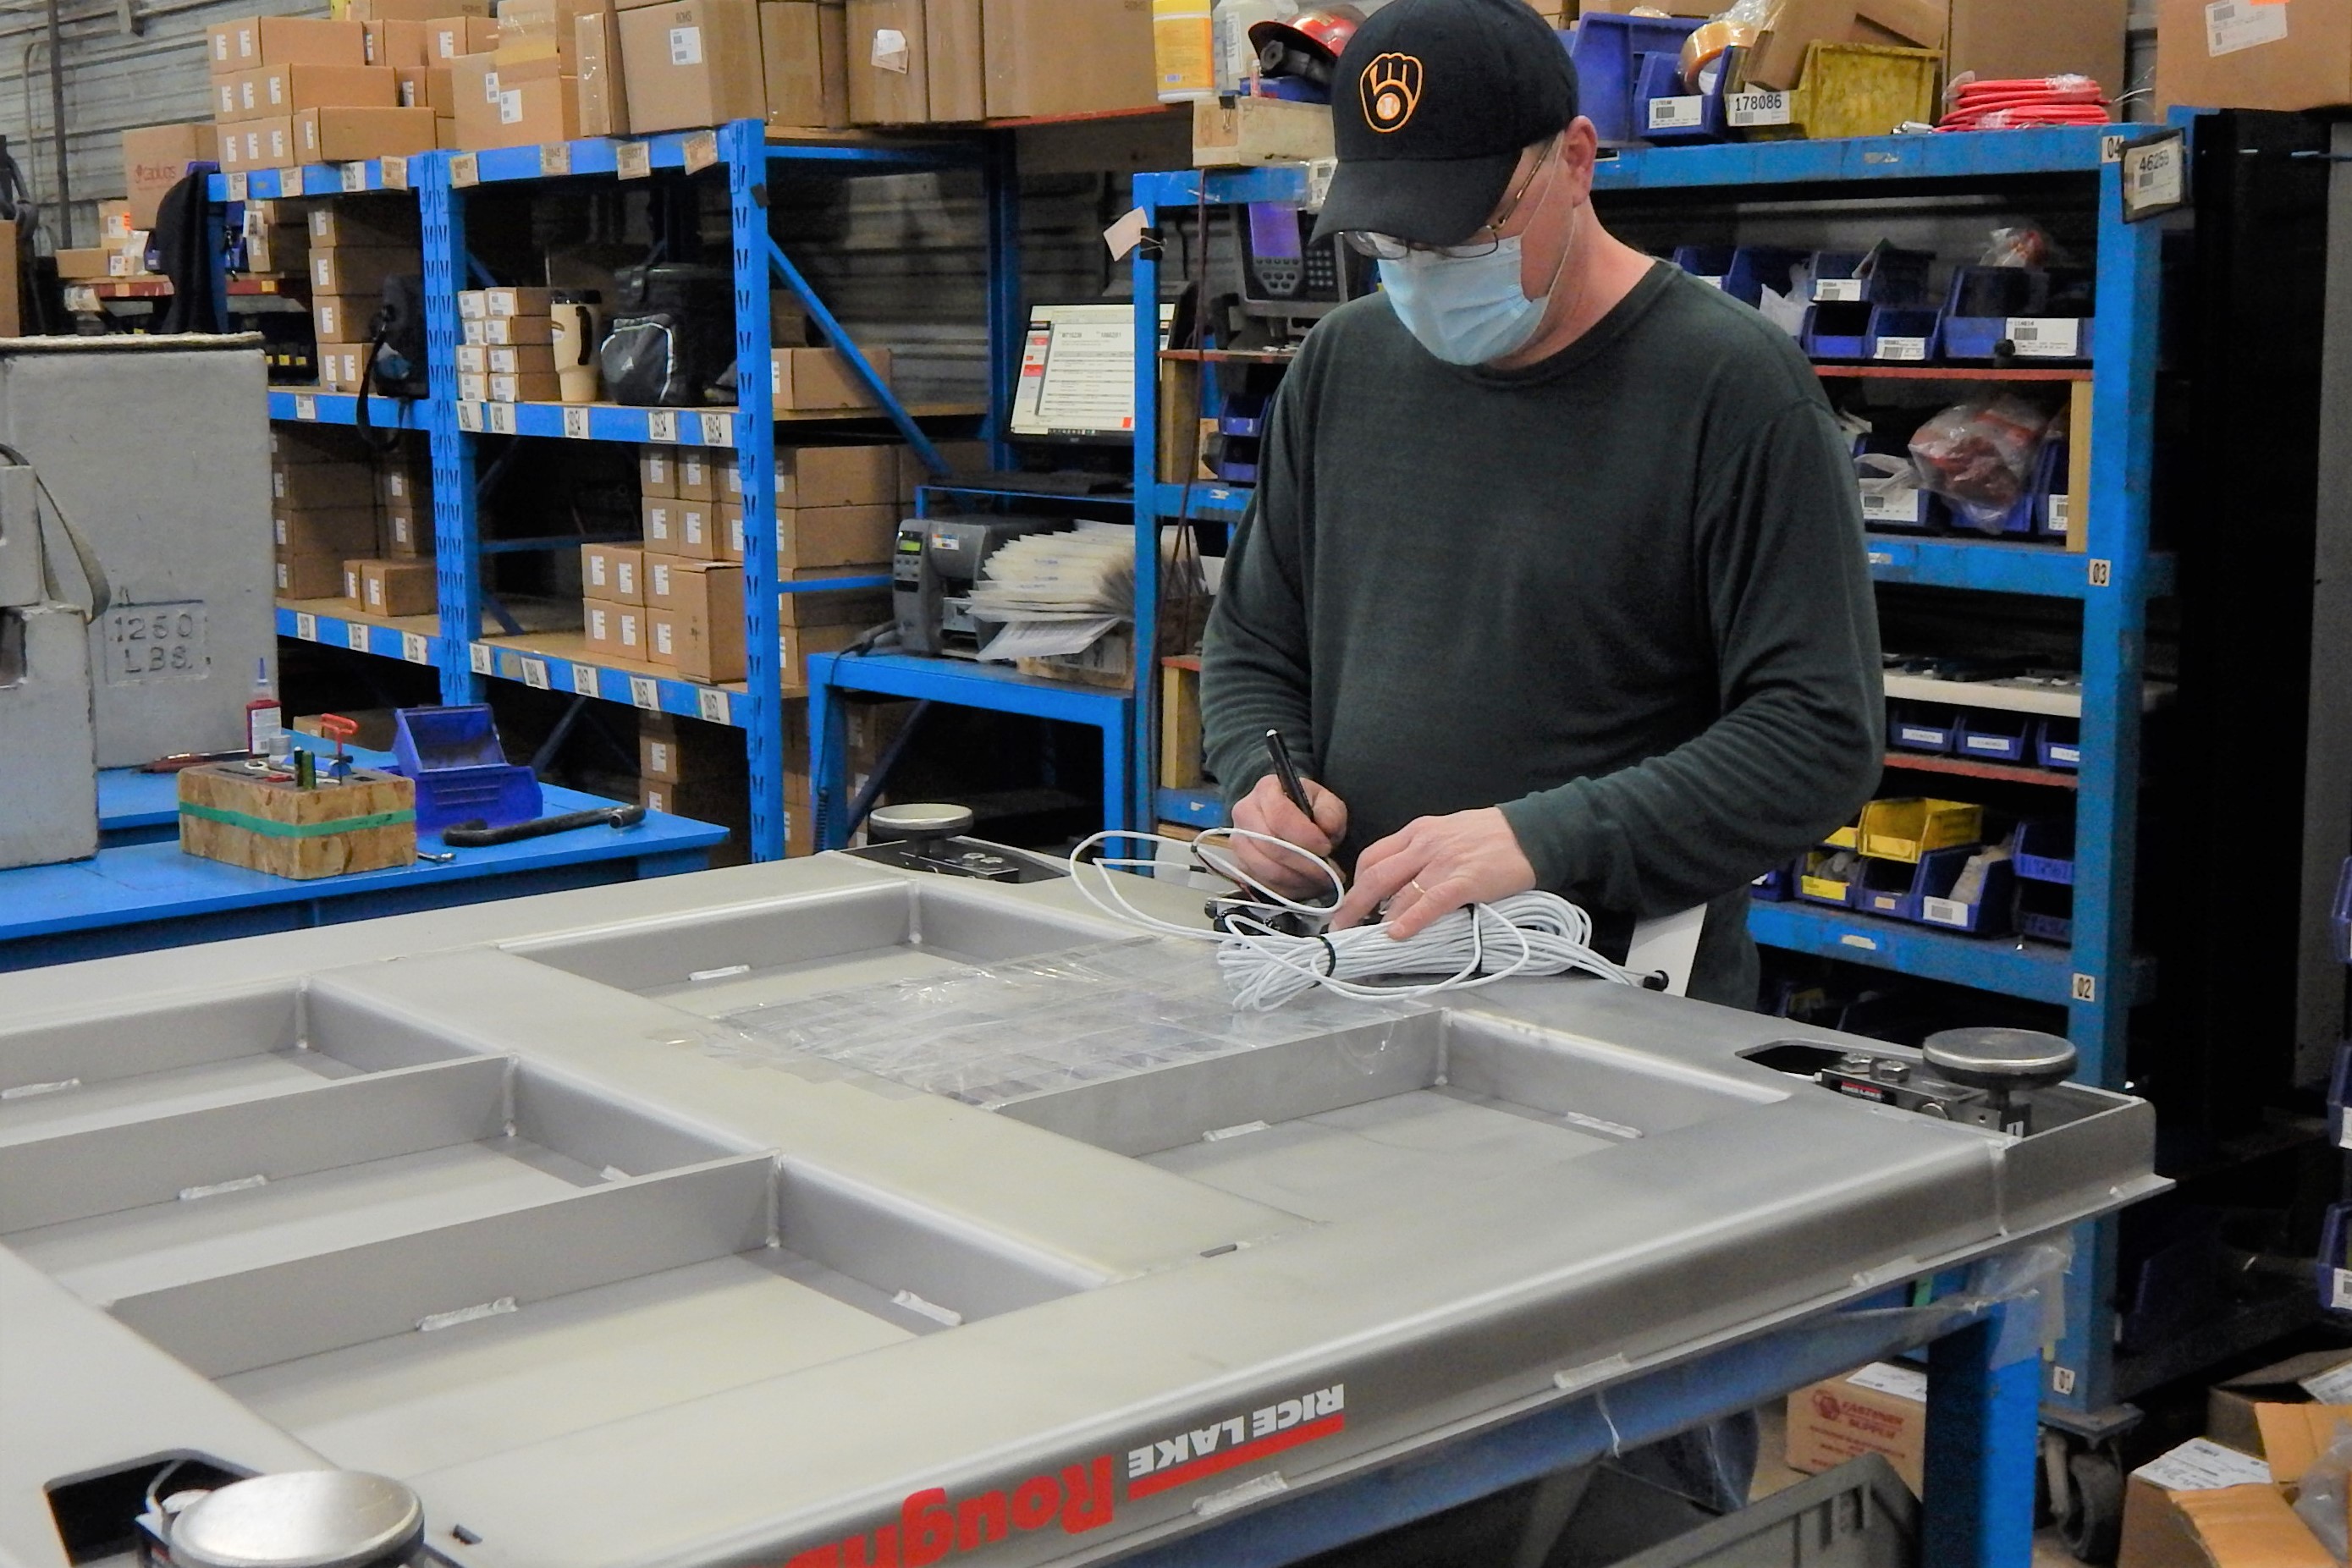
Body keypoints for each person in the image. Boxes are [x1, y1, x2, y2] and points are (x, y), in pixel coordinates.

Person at [1197, 0, 1884, 1538]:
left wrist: (1542, 836)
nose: (1423, 271)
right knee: (1378, 1480)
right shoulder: (1344, 370)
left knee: (1622, 1496)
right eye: (1392, 240)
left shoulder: (1733, 391)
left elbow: (1818, 734)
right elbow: (1251, 646)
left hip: (1627, 1077)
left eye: (1464, 230)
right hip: (1363, 1023)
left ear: (1577, 158)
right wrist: (1262, 771)